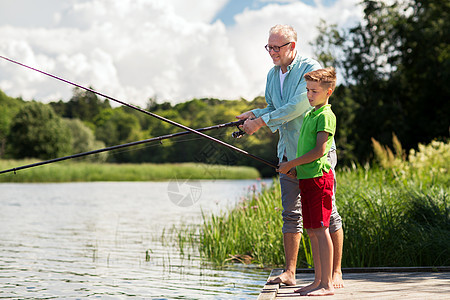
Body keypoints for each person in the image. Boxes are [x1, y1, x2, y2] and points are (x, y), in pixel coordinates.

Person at [236, 25, 344, 288]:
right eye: (269, 47)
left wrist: (262, 122)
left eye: (277, 47)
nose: (272, 52)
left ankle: (335, 273)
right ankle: (290, 272)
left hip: (314, 157)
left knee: (328, 215)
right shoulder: (272, 75)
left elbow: (298, 106)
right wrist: (255, 113)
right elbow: (274, 107)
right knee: (291, 214)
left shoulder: (310, 68)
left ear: (292, 46)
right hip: (287, 154)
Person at [278, 67, 337, 296]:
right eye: (308, 90)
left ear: (328, 92)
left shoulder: (325, 115)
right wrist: (297, 169)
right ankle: (317, 280)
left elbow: (320, 151)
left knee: (321, 230)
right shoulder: (311, 114)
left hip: (320, 180)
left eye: (314, 91)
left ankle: (327, 284)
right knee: (312, 230)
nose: (310, 95)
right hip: (307, 178)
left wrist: (292, 163)